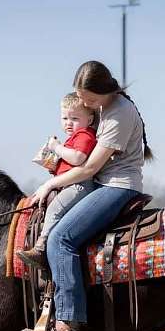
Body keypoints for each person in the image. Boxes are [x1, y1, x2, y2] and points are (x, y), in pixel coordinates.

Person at [26, 60, 153, 331]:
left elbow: (89, 168)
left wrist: (49, 185)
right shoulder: (104, 108)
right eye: (82, 98)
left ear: (106, 90)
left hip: (117, 186)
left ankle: (70, 324)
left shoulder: (120, 113)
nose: (85, 104)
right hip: (102, 182)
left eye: (90, 99)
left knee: (61, 238)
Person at [17, 93, 98, 268]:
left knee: (54, 209)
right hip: (69, 184)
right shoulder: (73, 138)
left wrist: (56, 147)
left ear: (90, 120)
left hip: (79, 186)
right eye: (65, 117)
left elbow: (78, 158)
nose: (69, 122)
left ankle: (41, 247)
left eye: (75, 118)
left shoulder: (85, 135)